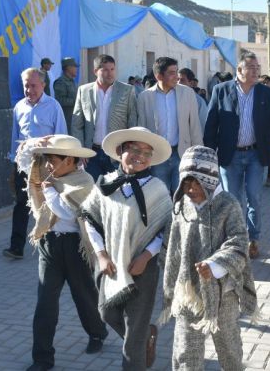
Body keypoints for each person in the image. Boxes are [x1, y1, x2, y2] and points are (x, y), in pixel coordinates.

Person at [81, 127, 173, 370]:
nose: (139, 156)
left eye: (146, 152)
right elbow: (90, 220)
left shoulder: (158, 189)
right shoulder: (106, 184)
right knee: (106, 312)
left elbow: (165, 229)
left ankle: (138, 349)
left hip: (144, 267)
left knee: (134, 329)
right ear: (120, 151)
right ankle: (144, 341)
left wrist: (146, 256)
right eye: (133, 149)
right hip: (111, 263)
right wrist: (100, 255)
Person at [160, 145, 257, 370]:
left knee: (229, 349)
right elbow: (172, 247)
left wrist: (214, 266)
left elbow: (239, 242)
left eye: (197, 182)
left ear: (211, 180)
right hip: (189, 293)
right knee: (186, 351)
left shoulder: (228, 204)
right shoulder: (180, 208)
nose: (191, 188)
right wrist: (172, 283)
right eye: (186, 182)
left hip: (224, 293)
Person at [15, 135, 108, 371]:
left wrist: (48, 191)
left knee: (84, 296)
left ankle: (97, 333)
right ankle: (42, 359)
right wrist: (37, 143)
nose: (47, 165)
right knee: (45, 304)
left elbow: (66, 211)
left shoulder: (84, 182)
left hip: (76, 248)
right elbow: (25, 159)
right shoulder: (45, 174)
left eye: (52, 160)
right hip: (50, 245)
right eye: (46, 159)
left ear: (69, 160)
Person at [204, 51, 270, 259]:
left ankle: (253, 239)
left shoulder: (265, 93)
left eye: (257, 68)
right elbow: (211, 124)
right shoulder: (221, 91)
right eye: (251, 68)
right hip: (229, 156)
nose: (256, 72)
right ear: (239, 70)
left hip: (255, 156)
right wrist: (209, 153)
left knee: (255, 198)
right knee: (232, 200)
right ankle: (233, 238)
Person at [3, 68, 67, 260]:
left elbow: (61, 136)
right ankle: (16, 247)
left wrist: (60, 166)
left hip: (47, 165)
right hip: (24, 164)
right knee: (22, 204)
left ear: (43, 85)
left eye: (33, 85)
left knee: (48, 205)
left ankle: (50, 245)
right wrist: (14, 163)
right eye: (26, 86)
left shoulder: (54, 107)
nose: (29, 90)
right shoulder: (19, 107)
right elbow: (15, 136)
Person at [137, 57, 202, 193]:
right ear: (158, 75)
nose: (176, 77)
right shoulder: (145, 97)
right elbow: (141, 130)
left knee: (183, 197)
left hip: (181, 154)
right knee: (161, 198)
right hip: (157, 157)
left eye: (177, 72)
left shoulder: (188, 93)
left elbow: (195, 127)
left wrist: (197, 156)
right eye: (172, 73)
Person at [71, 54, 137, 181]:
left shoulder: (127, 90)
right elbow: (77, 124)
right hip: (91, 154)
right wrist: (80, 150)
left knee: (117, 192)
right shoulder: (84, 90)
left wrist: (128, 150)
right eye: (105, 70)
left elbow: (132, 122)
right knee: (94, 193)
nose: (110, 73)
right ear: (96, 71)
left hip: (116, 153)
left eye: (112, 69)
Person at [53, 57, 79, 132]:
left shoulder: (72, 81)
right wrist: (77, 102)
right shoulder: (60, 82)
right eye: (74, 67)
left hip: (74, 119)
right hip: (66, 120)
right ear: (68, 68)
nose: (76, 69)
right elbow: (60, 100)